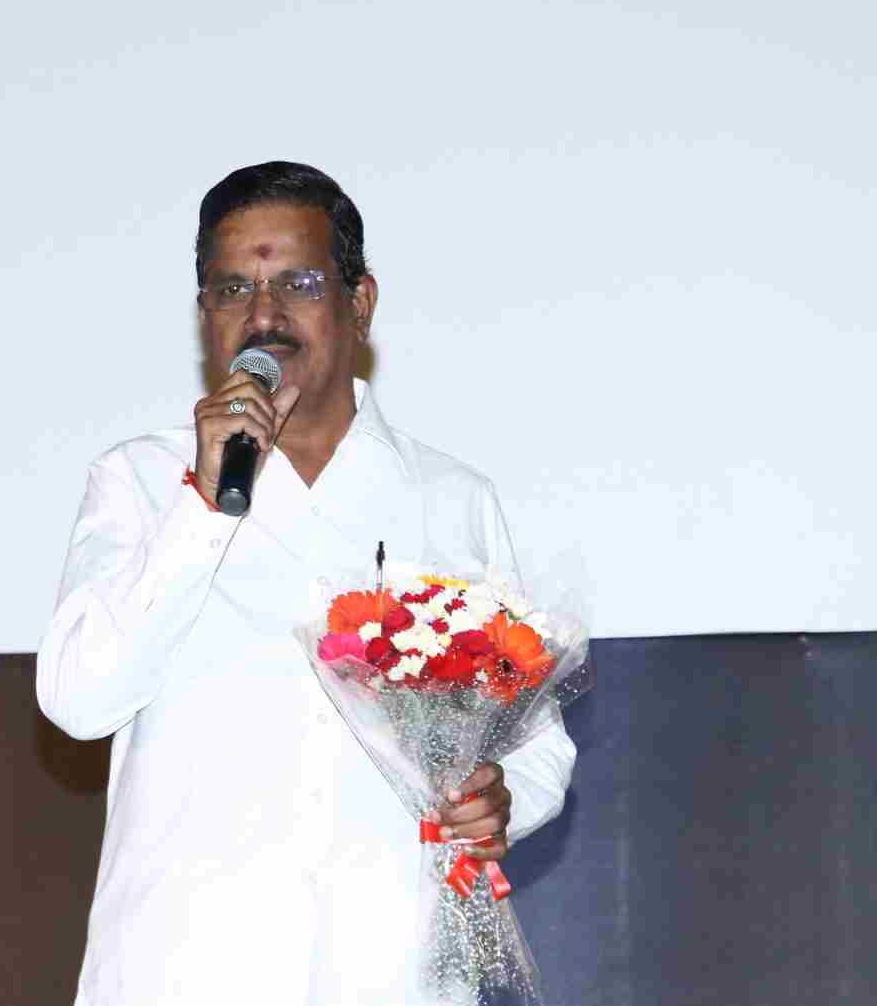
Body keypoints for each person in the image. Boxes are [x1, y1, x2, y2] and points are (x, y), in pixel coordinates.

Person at [35, 161, 576, 1005]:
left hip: (392, 967)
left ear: (360, 303)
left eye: (298, 283)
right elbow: (78, 700)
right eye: (232, 289)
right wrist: (202, 504)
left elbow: (535, 744)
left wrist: (501, 799)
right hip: (184, 968)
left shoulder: (450, 499)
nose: (263, 315)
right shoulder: (139, 482)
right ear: (205, 316)